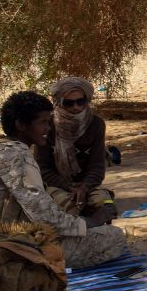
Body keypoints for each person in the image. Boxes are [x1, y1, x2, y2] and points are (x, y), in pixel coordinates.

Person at [0, 91, 125, 269]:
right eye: (43, 123)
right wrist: (91, 222)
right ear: (21, 125)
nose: (48, 128)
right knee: (113, 236)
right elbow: (45, 217)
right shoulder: (16, 156)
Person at [33, 77, 115, 218]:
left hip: (86, 185)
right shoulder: (48, 125)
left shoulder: (95, 124)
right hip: (57, 185)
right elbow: (43, 169)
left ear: (86, 100)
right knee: (70, 209)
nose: (75, 107)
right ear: (59, 103)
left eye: (80, 101)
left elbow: (97, 166)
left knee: (106, 206)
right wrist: (69, 187)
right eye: (69, 103)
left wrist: (84, 187)